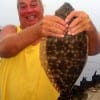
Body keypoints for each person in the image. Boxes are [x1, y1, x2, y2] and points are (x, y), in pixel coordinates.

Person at [0, 0, 99, 100]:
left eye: (33, 5)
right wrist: (37, 30)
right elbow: (3, 48)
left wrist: (90, 28)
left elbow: (95, 49)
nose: (29, 10)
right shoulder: (11, 29)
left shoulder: (60, 31)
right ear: (18, 11)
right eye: (23, 6)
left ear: (42, 8)